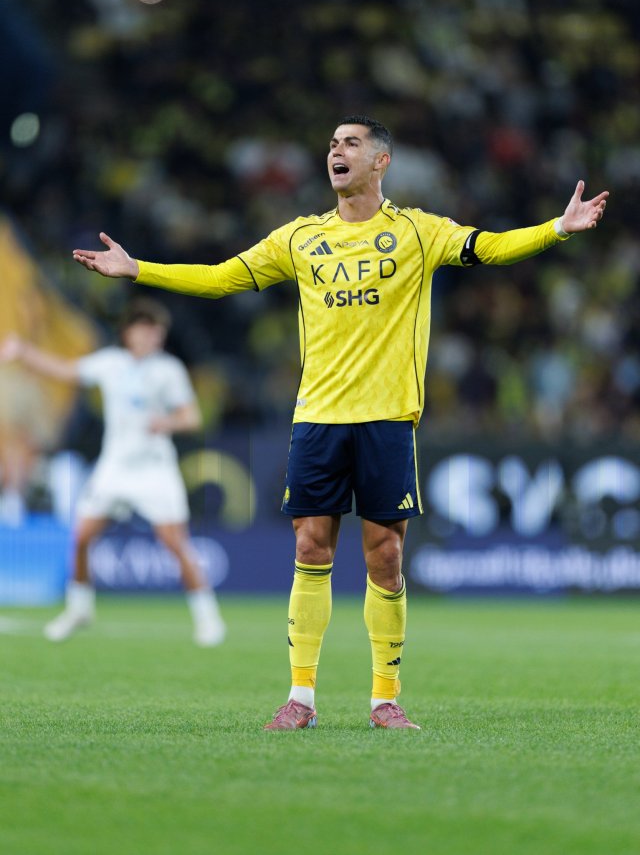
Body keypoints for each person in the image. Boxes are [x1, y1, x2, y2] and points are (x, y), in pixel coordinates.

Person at [71, 115, 608, 729]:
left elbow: (486, 246)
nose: (336, 151)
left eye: (350, 143)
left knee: (385, 557)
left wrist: (556, 230)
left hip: (386, 420)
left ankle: (385, 699)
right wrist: (140, 270)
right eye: (331, 144)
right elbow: (221, 278)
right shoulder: (300, 239)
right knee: (309, 546)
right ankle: (301, 698)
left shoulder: (416, 231)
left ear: (381, 161)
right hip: (318, 418)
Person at [0, 297, 226, 647]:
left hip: (154, 469)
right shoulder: (110, 364)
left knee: (175, 543)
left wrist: (166, 421)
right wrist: (24, 351)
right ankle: (79, 608)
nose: (152, 338)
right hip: (115, 467)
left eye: (157, 332)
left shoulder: (168, 370)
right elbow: (64, 370)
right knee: (82, 537)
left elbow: (192, 417)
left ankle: (208, 618)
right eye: (146, 330)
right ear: (129, 332)